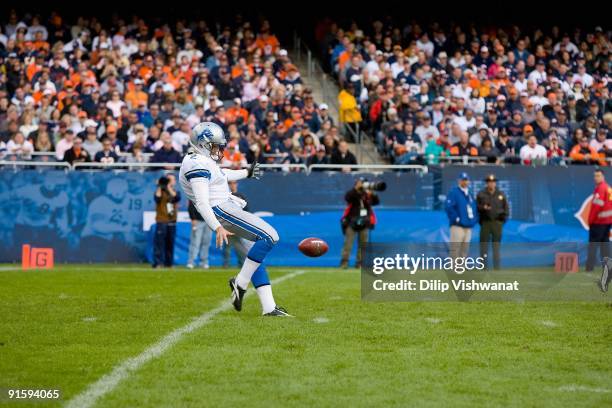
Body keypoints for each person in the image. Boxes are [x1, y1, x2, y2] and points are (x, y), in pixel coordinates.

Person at [179, 122, 290, 316]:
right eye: (216, 145)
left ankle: (269, 308)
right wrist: (217, 227)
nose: (220, 150)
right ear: (203, 144)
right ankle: (240, 283)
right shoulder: (196, 164)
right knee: (270, 236)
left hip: (224, 207)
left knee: (252, 258)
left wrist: (246, 172)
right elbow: (203, 202)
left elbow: (222, 175)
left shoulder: (200, 160)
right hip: (221, 210)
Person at [340, 177, 379, 269]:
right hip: (351, 222)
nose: (363, 185)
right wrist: (356, 189)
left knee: (363, 245)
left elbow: (376, 202)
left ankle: (360, 263)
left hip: (364, 222)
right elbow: (347, 198)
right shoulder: (353, 193)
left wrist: (372, 193)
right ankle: (344, 263)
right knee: (348, 244)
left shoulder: (367, 194)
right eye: (361, 183)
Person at [477, 174, 509, 269]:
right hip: (485, 223)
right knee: (484, 246)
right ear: (487, 183)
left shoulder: (501, 194)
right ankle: (483, 267)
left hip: (497, 223)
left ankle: (496, 267)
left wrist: (502, 221)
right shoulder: (481, 194)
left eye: (493, 182)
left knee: (496, 247)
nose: (491, 184)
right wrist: (483, 208)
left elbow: (506, 208)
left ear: (495, 183)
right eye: (489, 182)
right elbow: (477, 208)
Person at [445, 172, 479, 259]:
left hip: (468, 225)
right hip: (457, 226)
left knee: (464, 250)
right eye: (463, 180)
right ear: (459, 181)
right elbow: (449, 207)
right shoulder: (454, 192)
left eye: (466, 180)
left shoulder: (470, 194)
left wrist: (473, 220)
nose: (464, 182)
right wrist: (456, 219)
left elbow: (474, 208)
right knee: (455, 250)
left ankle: (461, 270)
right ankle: (453, 270)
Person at [586, 169, 612, 272]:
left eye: (598, 176)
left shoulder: (600, 189)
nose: (596, 178)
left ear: (603, 176)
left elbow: (597, 206)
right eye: (595, 176)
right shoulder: (608, 188)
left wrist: (590, 220)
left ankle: (589, 267)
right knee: (605, 245)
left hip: (598, 222)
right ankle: (608, 268)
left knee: (593, 245)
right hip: (607, 222)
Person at [153, 173, 180, 268]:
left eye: (171, 179)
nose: (169, 181)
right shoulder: (160, 190)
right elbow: (157, 198)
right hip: (162, 220)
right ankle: (158, 263)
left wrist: (168, 187)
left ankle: (169, 264)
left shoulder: (175, 191)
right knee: (159, 243)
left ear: (174, 181)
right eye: (168, 179)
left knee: (170, 243)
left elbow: (176, 198)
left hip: (172, 220)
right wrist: (160, 186)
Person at [186, 200, 212, 269]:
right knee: (195, 242)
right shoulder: (195, 192)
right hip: (197, 220)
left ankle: (204, 262)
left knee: (206, 242)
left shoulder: (211, 193)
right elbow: (191, 206)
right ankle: (191, 262)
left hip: (209, 221)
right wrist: (193, 218)